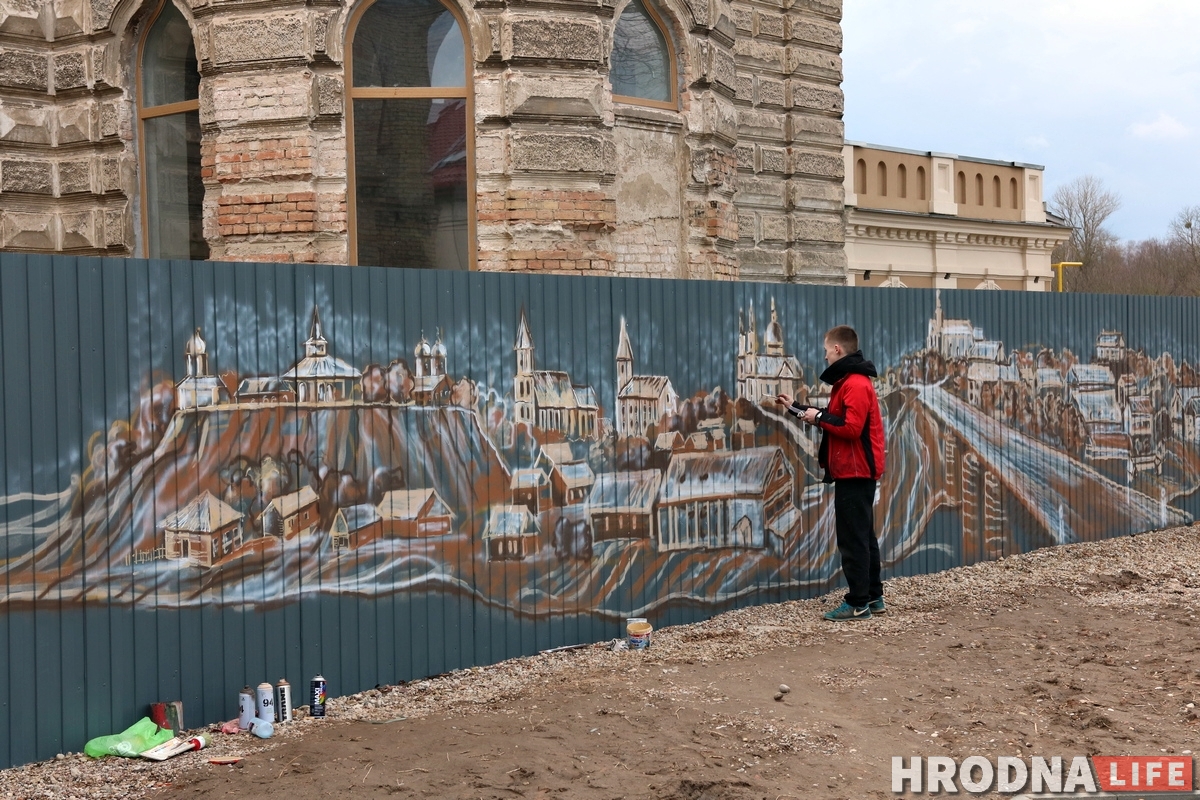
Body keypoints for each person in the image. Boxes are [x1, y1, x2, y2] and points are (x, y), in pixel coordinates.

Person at [776, 325, 886, 621]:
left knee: (853, 540)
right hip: (854, 470)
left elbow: (849, 427)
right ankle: (873, 597)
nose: (824, 356)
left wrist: (819, 416)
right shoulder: (849, 382)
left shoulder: (856, 384)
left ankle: (858, 602)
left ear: (838, 349)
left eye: (826, 350)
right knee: (863, 536)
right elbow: (832, 418)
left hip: (856, 471)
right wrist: (797, 409)